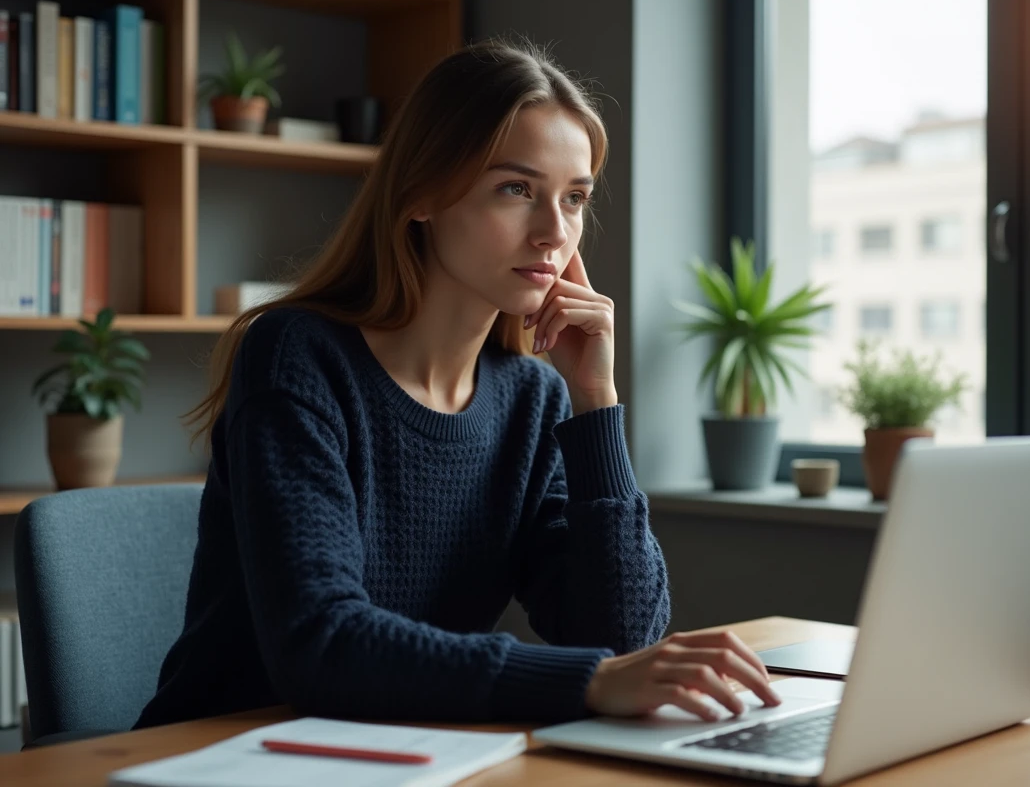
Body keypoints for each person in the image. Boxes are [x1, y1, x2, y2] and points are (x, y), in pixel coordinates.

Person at [135, 40, 781, 730]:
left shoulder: (534, 401)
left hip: (405, 755)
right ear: (421, 194)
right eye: (517, 190)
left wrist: (597, 406)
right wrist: (587, 680)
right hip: (223, 753)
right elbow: (320, 645)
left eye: (575, 199)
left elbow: (622, 635)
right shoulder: (298, 357)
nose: (553, 234)